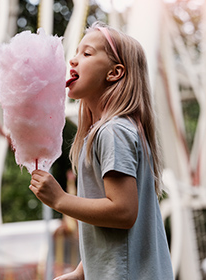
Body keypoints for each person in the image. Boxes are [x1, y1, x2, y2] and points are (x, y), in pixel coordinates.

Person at [29, 21, 174, 280]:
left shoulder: (113, 132)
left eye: (86, 54)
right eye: (75, 52)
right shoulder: (109, 132)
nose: (73, 60)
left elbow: (123, 212)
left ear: (114, 73)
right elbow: (115, 232)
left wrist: (60, 199)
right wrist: (82, 273)